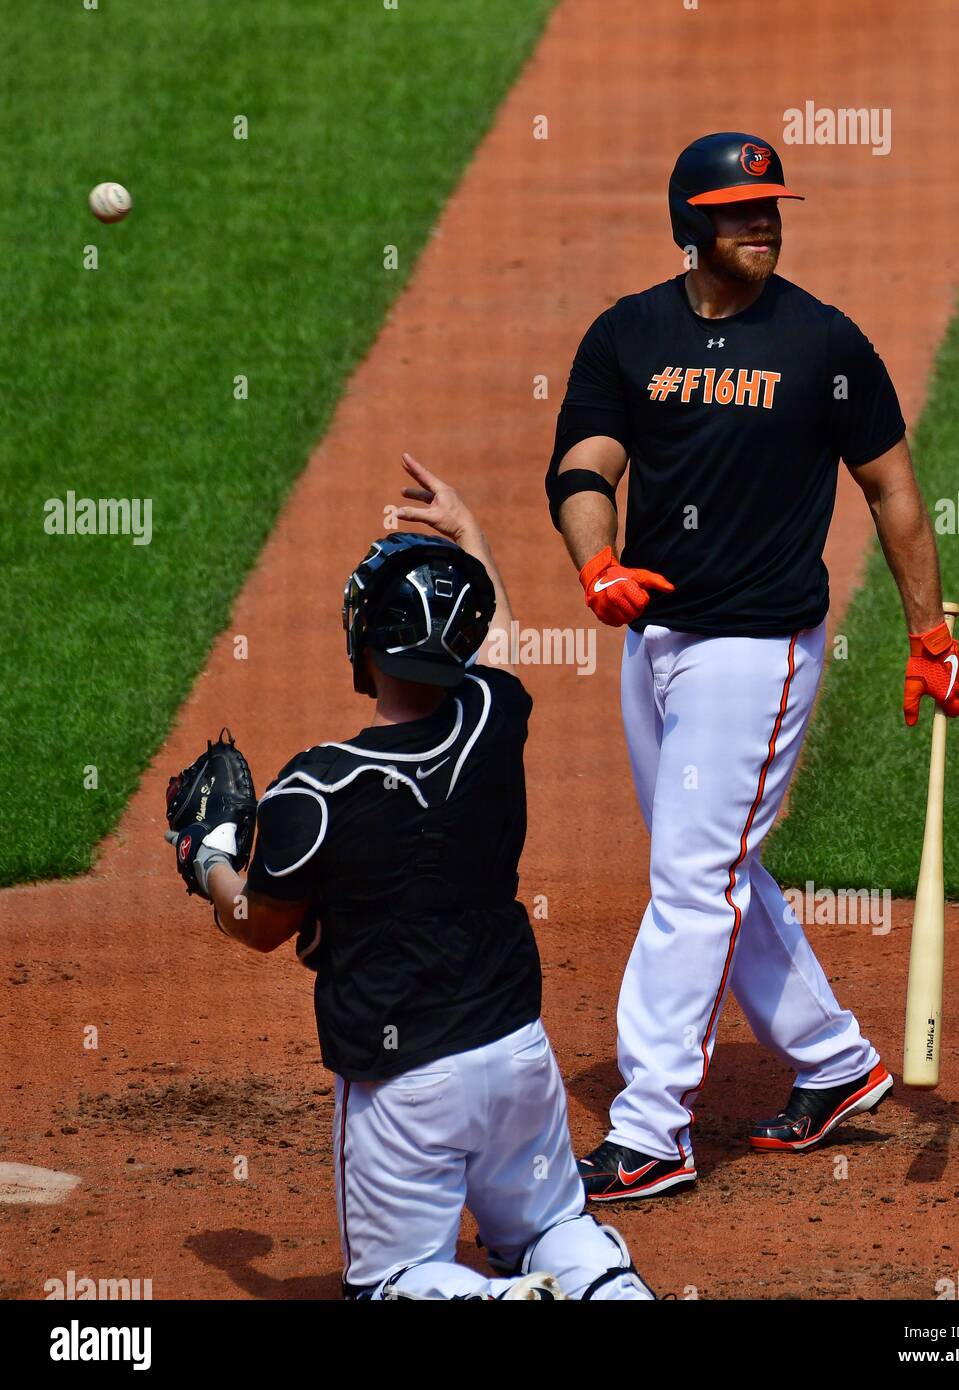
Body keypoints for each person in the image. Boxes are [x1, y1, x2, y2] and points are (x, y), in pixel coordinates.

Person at [545, 132, 959, 1201]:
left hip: (758, 651)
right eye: (739, 210)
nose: (764, 222)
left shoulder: (824, 343)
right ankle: (834, 1063)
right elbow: (585, 463)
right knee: (714, 867)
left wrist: (929, 635)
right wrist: (596, 561)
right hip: (655, 645)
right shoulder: (628, 334)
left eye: (771, 205)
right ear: (692, 225)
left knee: (692, 878)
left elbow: (894, 492)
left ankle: (652, 1128)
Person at [171, 454, 654, 1299]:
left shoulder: (315, 791)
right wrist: (470, 537)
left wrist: (207, 857)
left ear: (361, 643)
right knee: (551, 1227)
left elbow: (256, 924)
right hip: (516, 1054)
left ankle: (503, 1298)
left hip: (407, 1089)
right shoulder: (492, 720)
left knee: (395, 1282)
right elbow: (497, 643)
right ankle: (604, 1290)